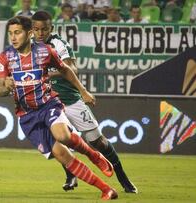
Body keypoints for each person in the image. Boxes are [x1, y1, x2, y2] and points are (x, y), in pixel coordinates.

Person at [0, 16, 118, 200]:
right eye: (10, 34)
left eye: (17, 33)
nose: (13, 38)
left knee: (62, 135)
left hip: (48, 104)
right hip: (27, 115)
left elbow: (66, 70)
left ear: (29, 34)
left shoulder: (46, 51)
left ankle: (94, 155)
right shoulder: (5, 57)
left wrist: (83, 91)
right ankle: (106, 189)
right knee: (62, 155)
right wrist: (5, 86)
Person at [31, 11, 137, 193]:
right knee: (59, 141)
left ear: (52, 28)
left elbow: (71, 67)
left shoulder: (58, 44)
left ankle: (122, 177)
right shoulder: (28, 48)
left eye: (44, 29)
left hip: (71, 100)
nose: (40, 33)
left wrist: (81, 90)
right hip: (49, 103)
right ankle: (71, 176)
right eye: (36, 29)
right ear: (32, 29)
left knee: (97, 142)